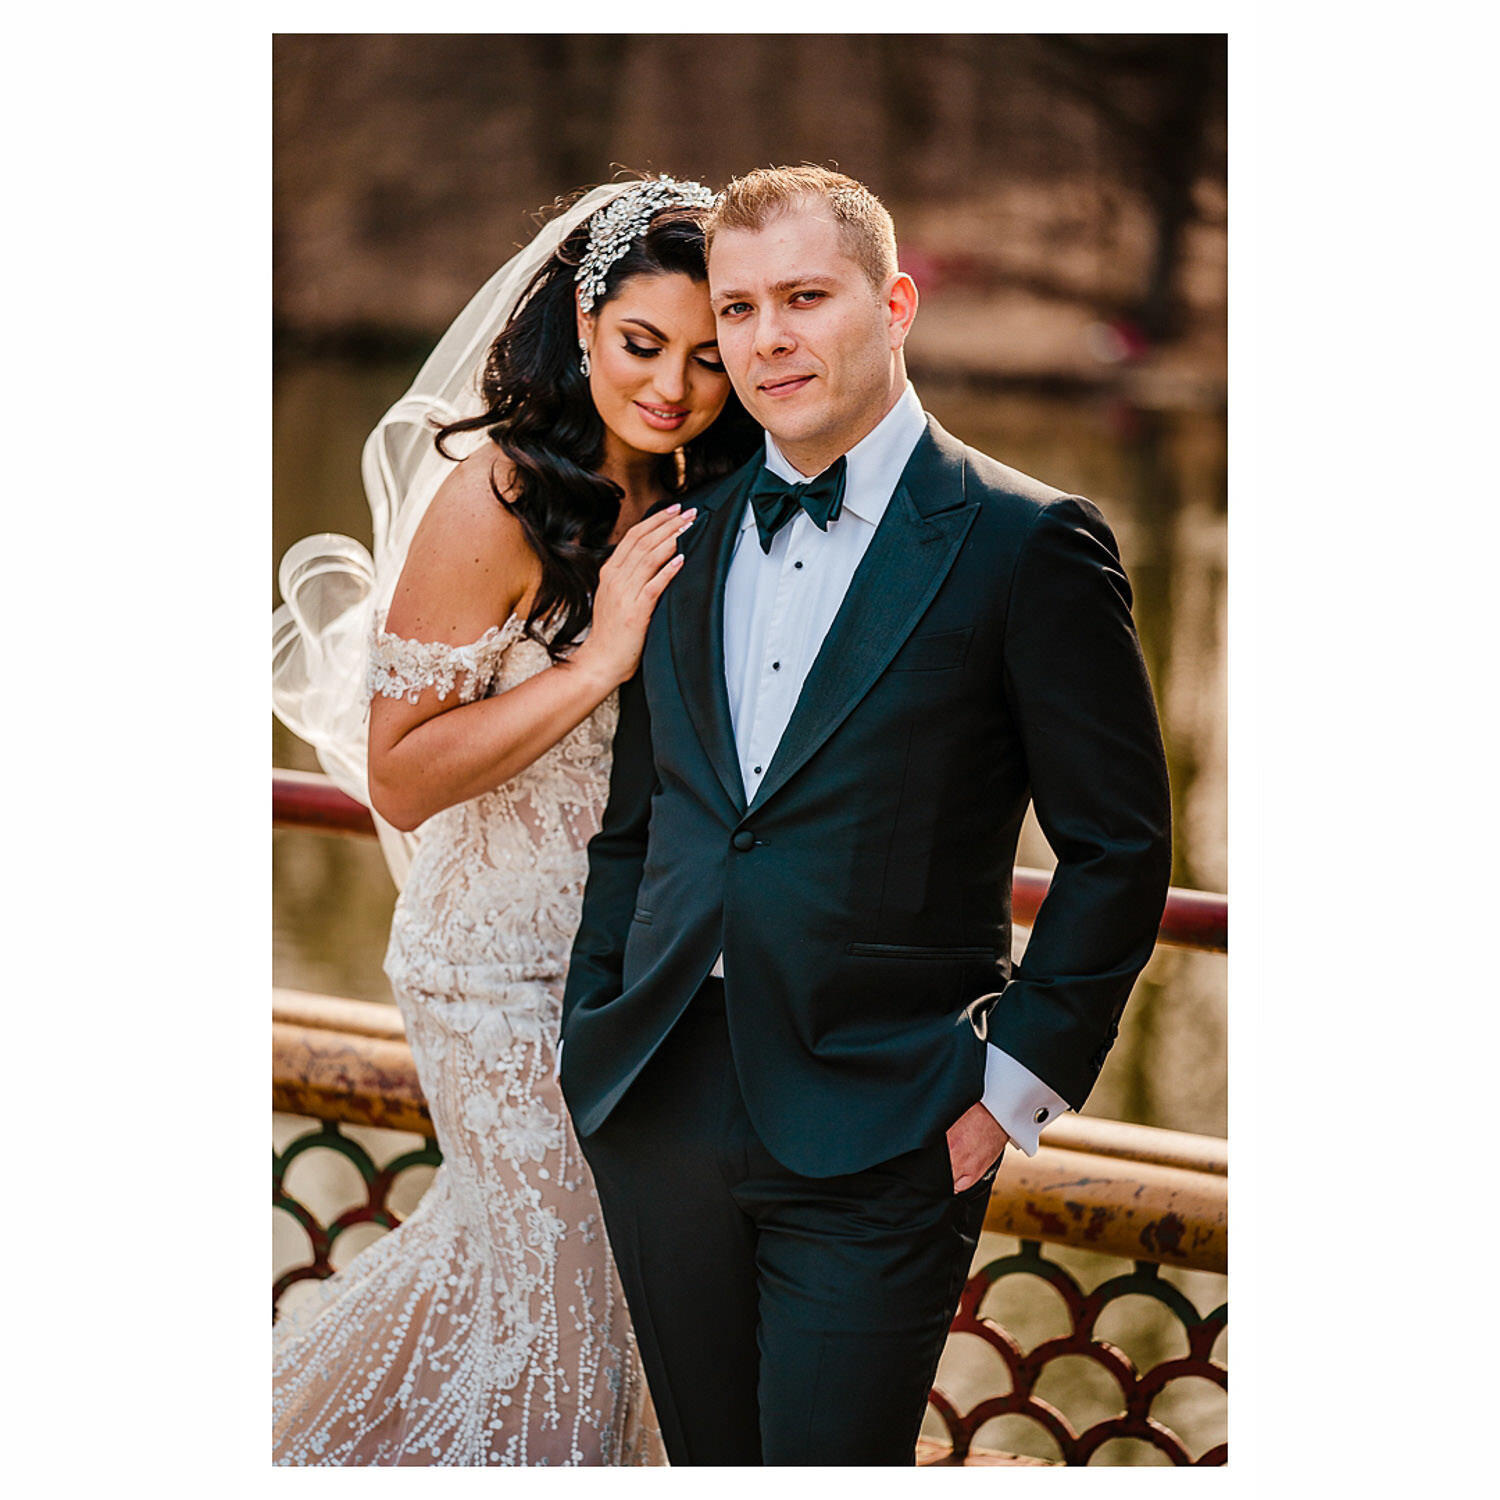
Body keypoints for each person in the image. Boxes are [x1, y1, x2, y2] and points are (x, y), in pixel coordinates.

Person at [560, 166, 1173, 1466]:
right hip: (663, 1097)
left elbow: (1118, 847)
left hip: (888, 1118)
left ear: (893, 304)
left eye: (805, 297)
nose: (767, 338)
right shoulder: (680, 539)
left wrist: (1004, 1093)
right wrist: (596, 1031)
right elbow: (640, 825)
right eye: (739, 309)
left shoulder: (1029, 542)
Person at [270, 175, 759, 1465]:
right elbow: (401, 774)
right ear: (584, 323)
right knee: (565, 1298)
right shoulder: (492, 498)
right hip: (487, 967)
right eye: (643, 345)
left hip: (633, 969)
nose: (673, 387)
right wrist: (591, 665)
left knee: (548, 1289)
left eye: (710, 358)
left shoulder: (706, 487)